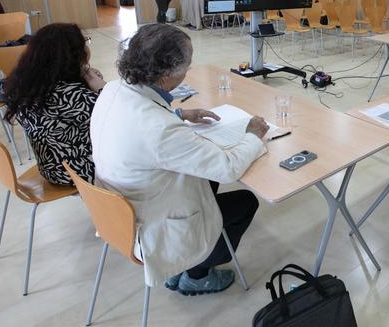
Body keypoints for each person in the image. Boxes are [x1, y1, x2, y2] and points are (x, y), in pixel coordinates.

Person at [91, 24, 269, 295]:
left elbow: (139, 132)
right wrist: (253, 135)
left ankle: (186, 269)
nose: (189, 70)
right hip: (154, 227)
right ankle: (196, 274)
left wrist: (179, 116)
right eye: (187, 64)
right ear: (167, 71)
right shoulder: (159, 129)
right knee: (245, 201)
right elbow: (228, 168)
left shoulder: (113, 90)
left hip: (121, 210)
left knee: (205, 178)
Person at [3, 23, 105, 185]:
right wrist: (102, 89)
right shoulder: (71, 95)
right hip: (81, 170)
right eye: (84, 42)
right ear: (74, 53)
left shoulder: (24, 84)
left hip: (50, 166)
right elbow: (115, 118)